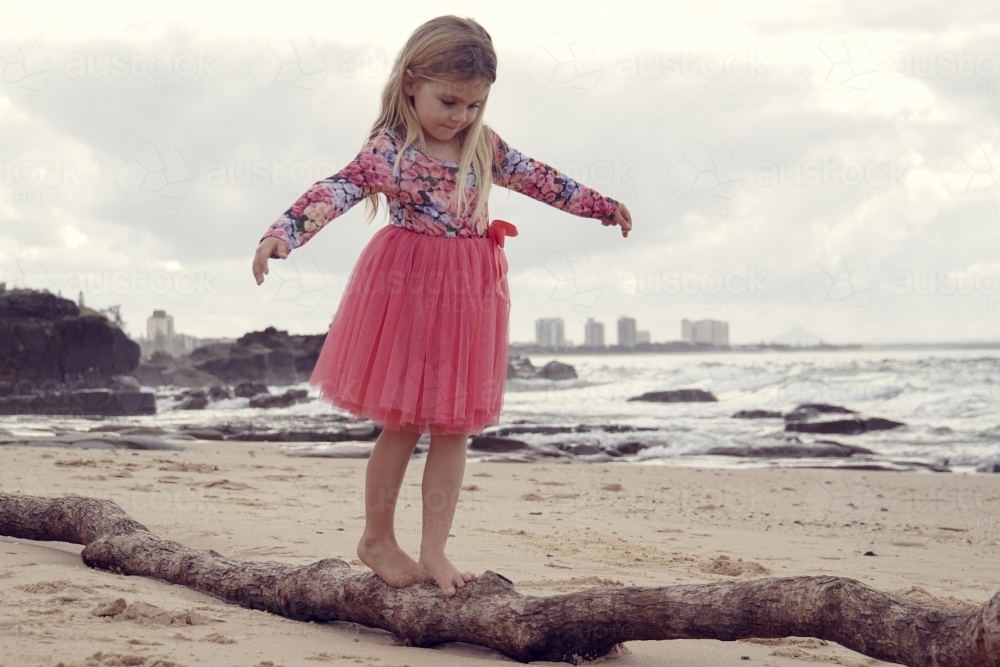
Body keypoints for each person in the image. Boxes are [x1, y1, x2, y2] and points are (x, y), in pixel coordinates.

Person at [251, 15, 632, 597]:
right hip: (408, 290)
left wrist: (600, 205)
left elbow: (543, 180)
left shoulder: (484, 146)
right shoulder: (390, 150)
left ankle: (433, 550)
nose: (461, 116)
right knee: (402, 423)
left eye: (474, 105)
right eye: (449, 101)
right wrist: (283, 233)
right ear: (411, 82)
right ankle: (377, 538)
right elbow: (338, 188)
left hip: (473, 296)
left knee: (456, 426)